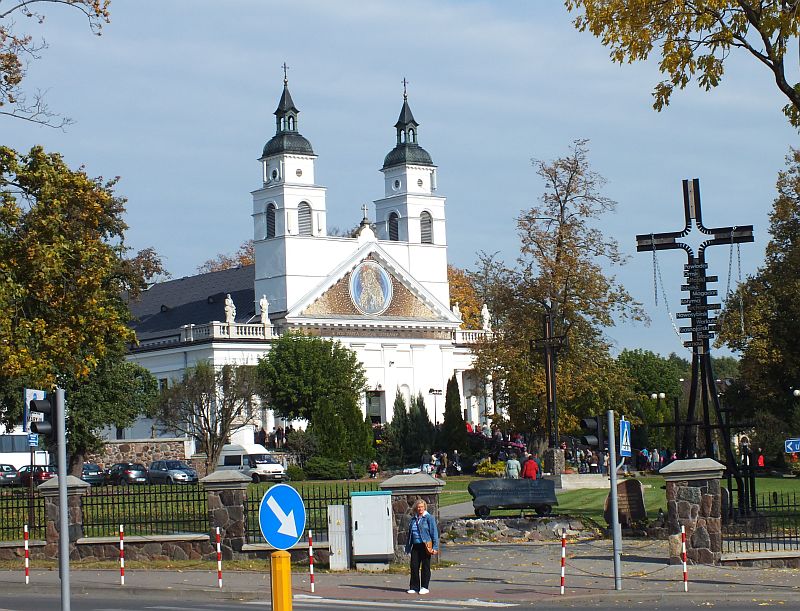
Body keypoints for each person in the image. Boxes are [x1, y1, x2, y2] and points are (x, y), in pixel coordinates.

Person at [405, 498, 439, 595]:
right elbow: (410, 534)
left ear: (424, 507)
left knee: (425, 566)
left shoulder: (429, 518)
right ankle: (414, 586)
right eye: (418, 507)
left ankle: (424, 586)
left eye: (421, 507)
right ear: (416, 508)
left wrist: (435, 547)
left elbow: (434, 533)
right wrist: (408, 547)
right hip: (415, 545)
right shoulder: (413, 519)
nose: (420, 509)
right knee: (414, 566)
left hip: (425, 545)